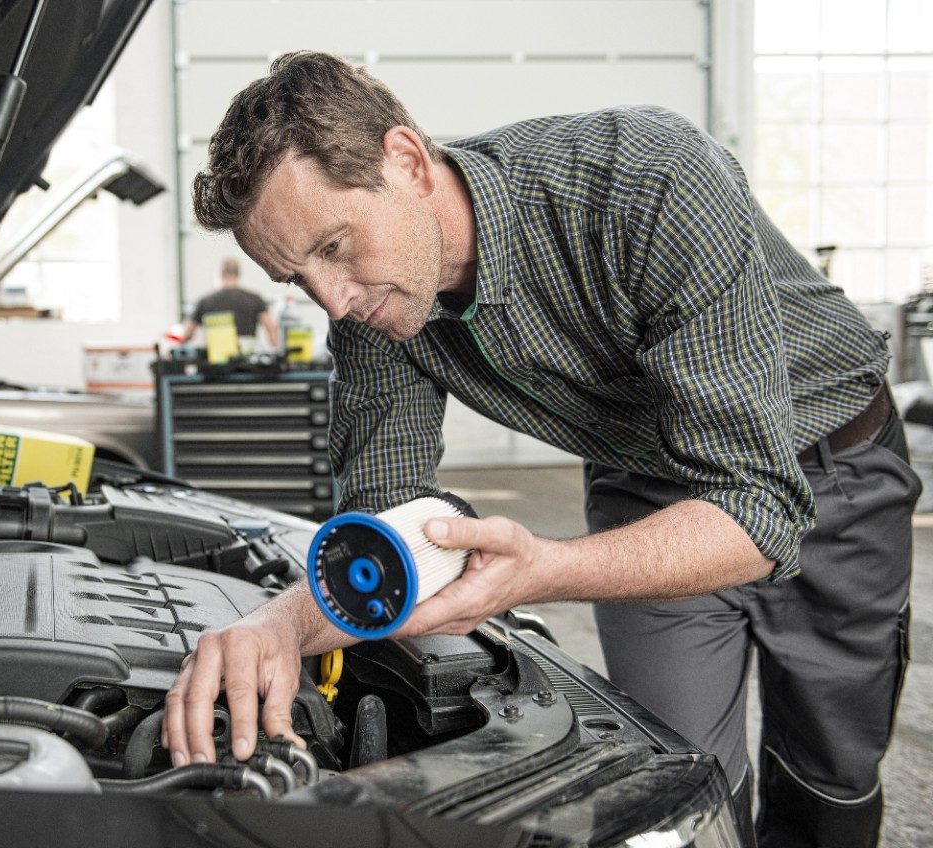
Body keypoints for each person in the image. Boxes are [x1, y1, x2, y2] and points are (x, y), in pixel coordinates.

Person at [164, 52, 916, 848]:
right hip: (650, 487)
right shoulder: (375, 316)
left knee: (829, 774)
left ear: (408, 162)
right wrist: (278, 623)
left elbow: (757, 509)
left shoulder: (650, 181)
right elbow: (382, 537)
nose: (333, 300)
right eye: (298, 278)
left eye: (335, 246)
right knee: (680, 785)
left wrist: (547, 569)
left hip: (834, 469)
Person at [179, 256, 279, 349]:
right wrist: (275, 352)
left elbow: (188, 333)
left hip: (215, 360)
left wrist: (179, 339)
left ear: (219, 274)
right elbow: (271, 327)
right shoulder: (255, 299)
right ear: (238, 274)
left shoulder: (205, 301)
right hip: (246, 360)